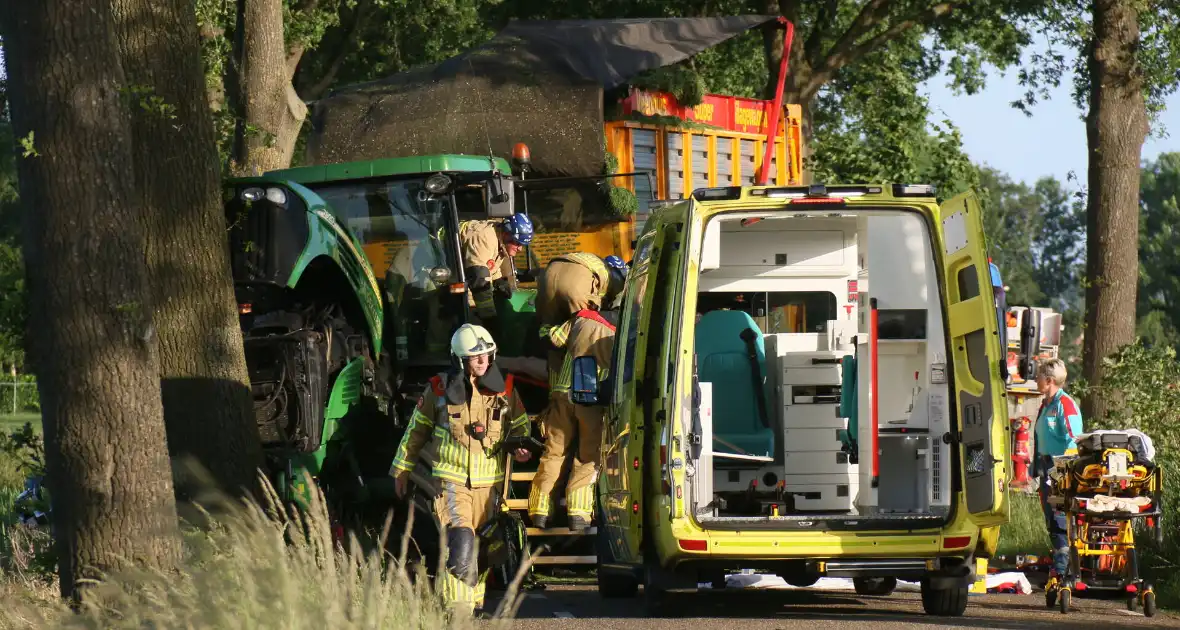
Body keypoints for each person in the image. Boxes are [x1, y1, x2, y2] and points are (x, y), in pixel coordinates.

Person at [390, 323, 533, 616]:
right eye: (475, 357)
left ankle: (474, 601)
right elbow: (415, 432)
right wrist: (401, 470)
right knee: (462, 539)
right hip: (452, 482)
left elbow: (520, 425)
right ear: (459, 359)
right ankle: (457, 609)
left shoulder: (505, 388)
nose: (483, 362)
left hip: (490, 484)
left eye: (487, 355)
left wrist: (521, 448)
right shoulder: (438, 390)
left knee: (485, 543)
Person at [528, 305, 620, 531]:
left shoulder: (583, 317)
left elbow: (553, 339)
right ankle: (578, 514)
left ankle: (539, 510)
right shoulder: (624, 330)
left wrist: (545, 326)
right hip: (592, 398)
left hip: (563, 393)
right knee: (588, 457)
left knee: (554, 452)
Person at [1032, 357, 1083, 579]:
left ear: (1050, 380)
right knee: (1051, 518)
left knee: (1060, 516)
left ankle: (1065, 567)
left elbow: (1075, 440)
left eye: (1040, 376)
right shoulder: (1046, 404)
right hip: (1045, 465)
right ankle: (1060, 562)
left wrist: (1061, 471)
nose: (1036, 379)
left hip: (1060, 467)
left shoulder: (1066, 404)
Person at [459, 213, 534, 334]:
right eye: (517, 243)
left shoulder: (501, 240)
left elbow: (489, 264)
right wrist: (489, 318)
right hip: (434, 265)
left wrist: (499, 281)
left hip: (465, 271)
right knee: (445, 316)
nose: (520, 249)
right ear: (506, 234)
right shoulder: (484, 238)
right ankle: (437, 351)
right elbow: (479, 279)